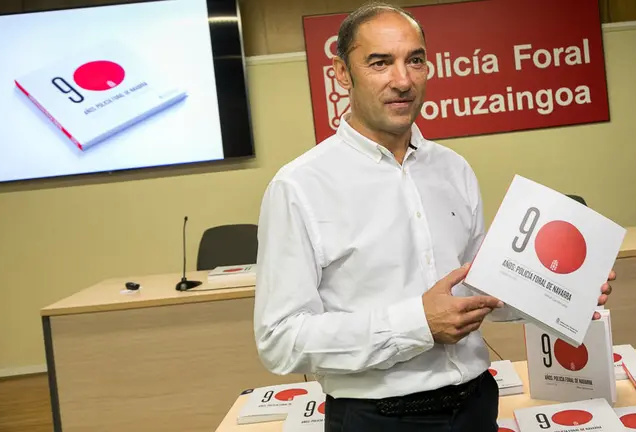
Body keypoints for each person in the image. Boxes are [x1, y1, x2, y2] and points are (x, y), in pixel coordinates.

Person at [253, 3, 615, 431]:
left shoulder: (454, 169)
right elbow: (279, 340)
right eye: (379, 62)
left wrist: (563, 291)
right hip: (378, 420)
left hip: (477, 404)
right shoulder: (299, 187)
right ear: (341, 73)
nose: (402, 80)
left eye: (415, 60)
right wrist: (416, 324)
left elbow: (482, 289)